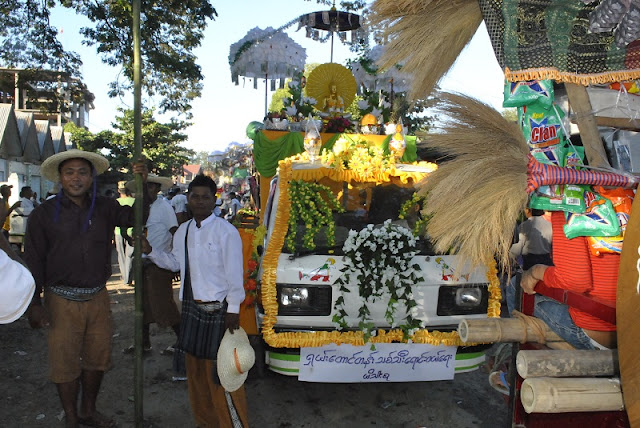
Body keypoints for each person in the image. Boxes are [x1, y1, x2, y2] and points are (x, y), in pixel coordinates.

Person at [24, 149, 150, 428]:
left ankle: (87, 411)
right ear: (60, 178)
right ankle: (71, 417)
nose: (76, 178)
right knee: (64, 362)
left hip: (97, 297)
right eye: (69, 172)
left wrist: (143, 188)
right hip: (60, 300)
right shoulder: (43, 215)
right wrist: (34, 303)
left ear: (91, 177)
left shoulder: (105, 207)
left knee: (97, 358)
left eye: (82, 172)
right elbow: (33, 261)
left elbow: (135, 218)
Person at [141, 174, 248, 428]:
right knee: (197, 376)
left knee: (223, 377)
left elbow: (235, 274)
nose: (199, 201)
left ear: (214, 200)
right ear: (188, 199)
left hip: (219, 312)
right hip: (191, 310)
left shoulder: (226, 232)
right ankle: (206, 422)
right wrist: (151, 251)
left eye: (205, 197)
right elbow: (175, 263)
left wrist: (233, 309)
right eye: (195, 197)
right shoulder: (184, 231)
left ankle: (232, 424)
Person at [514, 211, 618, 350]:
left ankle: (513, 354)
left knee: (514, 286)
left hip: (600, 332)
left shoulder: (567, 209)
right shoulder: (629, 205)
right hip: (632, 329)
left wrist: (535, 271)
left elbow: (576, 281)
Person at [123, 174, 181, 355]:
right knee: (142, 305)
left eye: (150, 187)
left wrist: (175, 261)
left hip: (158, 263)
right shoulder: (139, 207)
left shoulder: (164, 207)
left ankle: (183, 340)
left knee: (163, 304)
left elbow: (175, 232)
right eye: (143, 187)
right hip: (142, 261)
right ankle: (143, 343)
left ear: (157, 189)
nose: (146, 190)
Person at [115, 184, 135, 285]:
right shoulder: (134, 201)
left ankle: (124, 277)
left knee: (121, 256)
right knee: (130, 255)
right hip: (132, 232)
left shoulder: (115, 202)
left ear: (119, 191)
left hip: (118, 232)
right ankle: (128, 278)